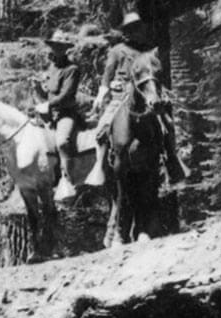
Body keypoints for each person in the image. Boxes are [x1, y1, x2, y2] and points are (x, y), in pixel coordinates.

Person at [89, 11, 187, 186]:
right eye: (133, 29)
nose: (137, 32)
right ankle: (100, 166)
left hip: (146, 94)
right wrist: (102, 92)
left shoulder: (148, 52)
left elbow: (154, 77)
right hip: (120, 96)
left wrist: (161, 92)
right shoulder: (117, 51)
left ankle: (172, 161)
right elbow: (107, 76)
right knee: (102, 128)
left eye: (138, 28)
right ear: (126, 32)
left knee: (167, 125)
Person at [35, 30, 82, 199]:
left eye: (61, 48)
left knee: (62, 142)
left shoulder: (72, 69)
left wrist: (48, 104)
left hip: (66, 113)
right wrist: (37, 87)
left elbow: (66, 95)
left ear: (66, 49)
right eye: (55, 47)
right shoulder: (51, 67)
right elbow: (47, 93)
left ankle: (68, 180)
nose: (57, 51)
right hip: (49, 113)